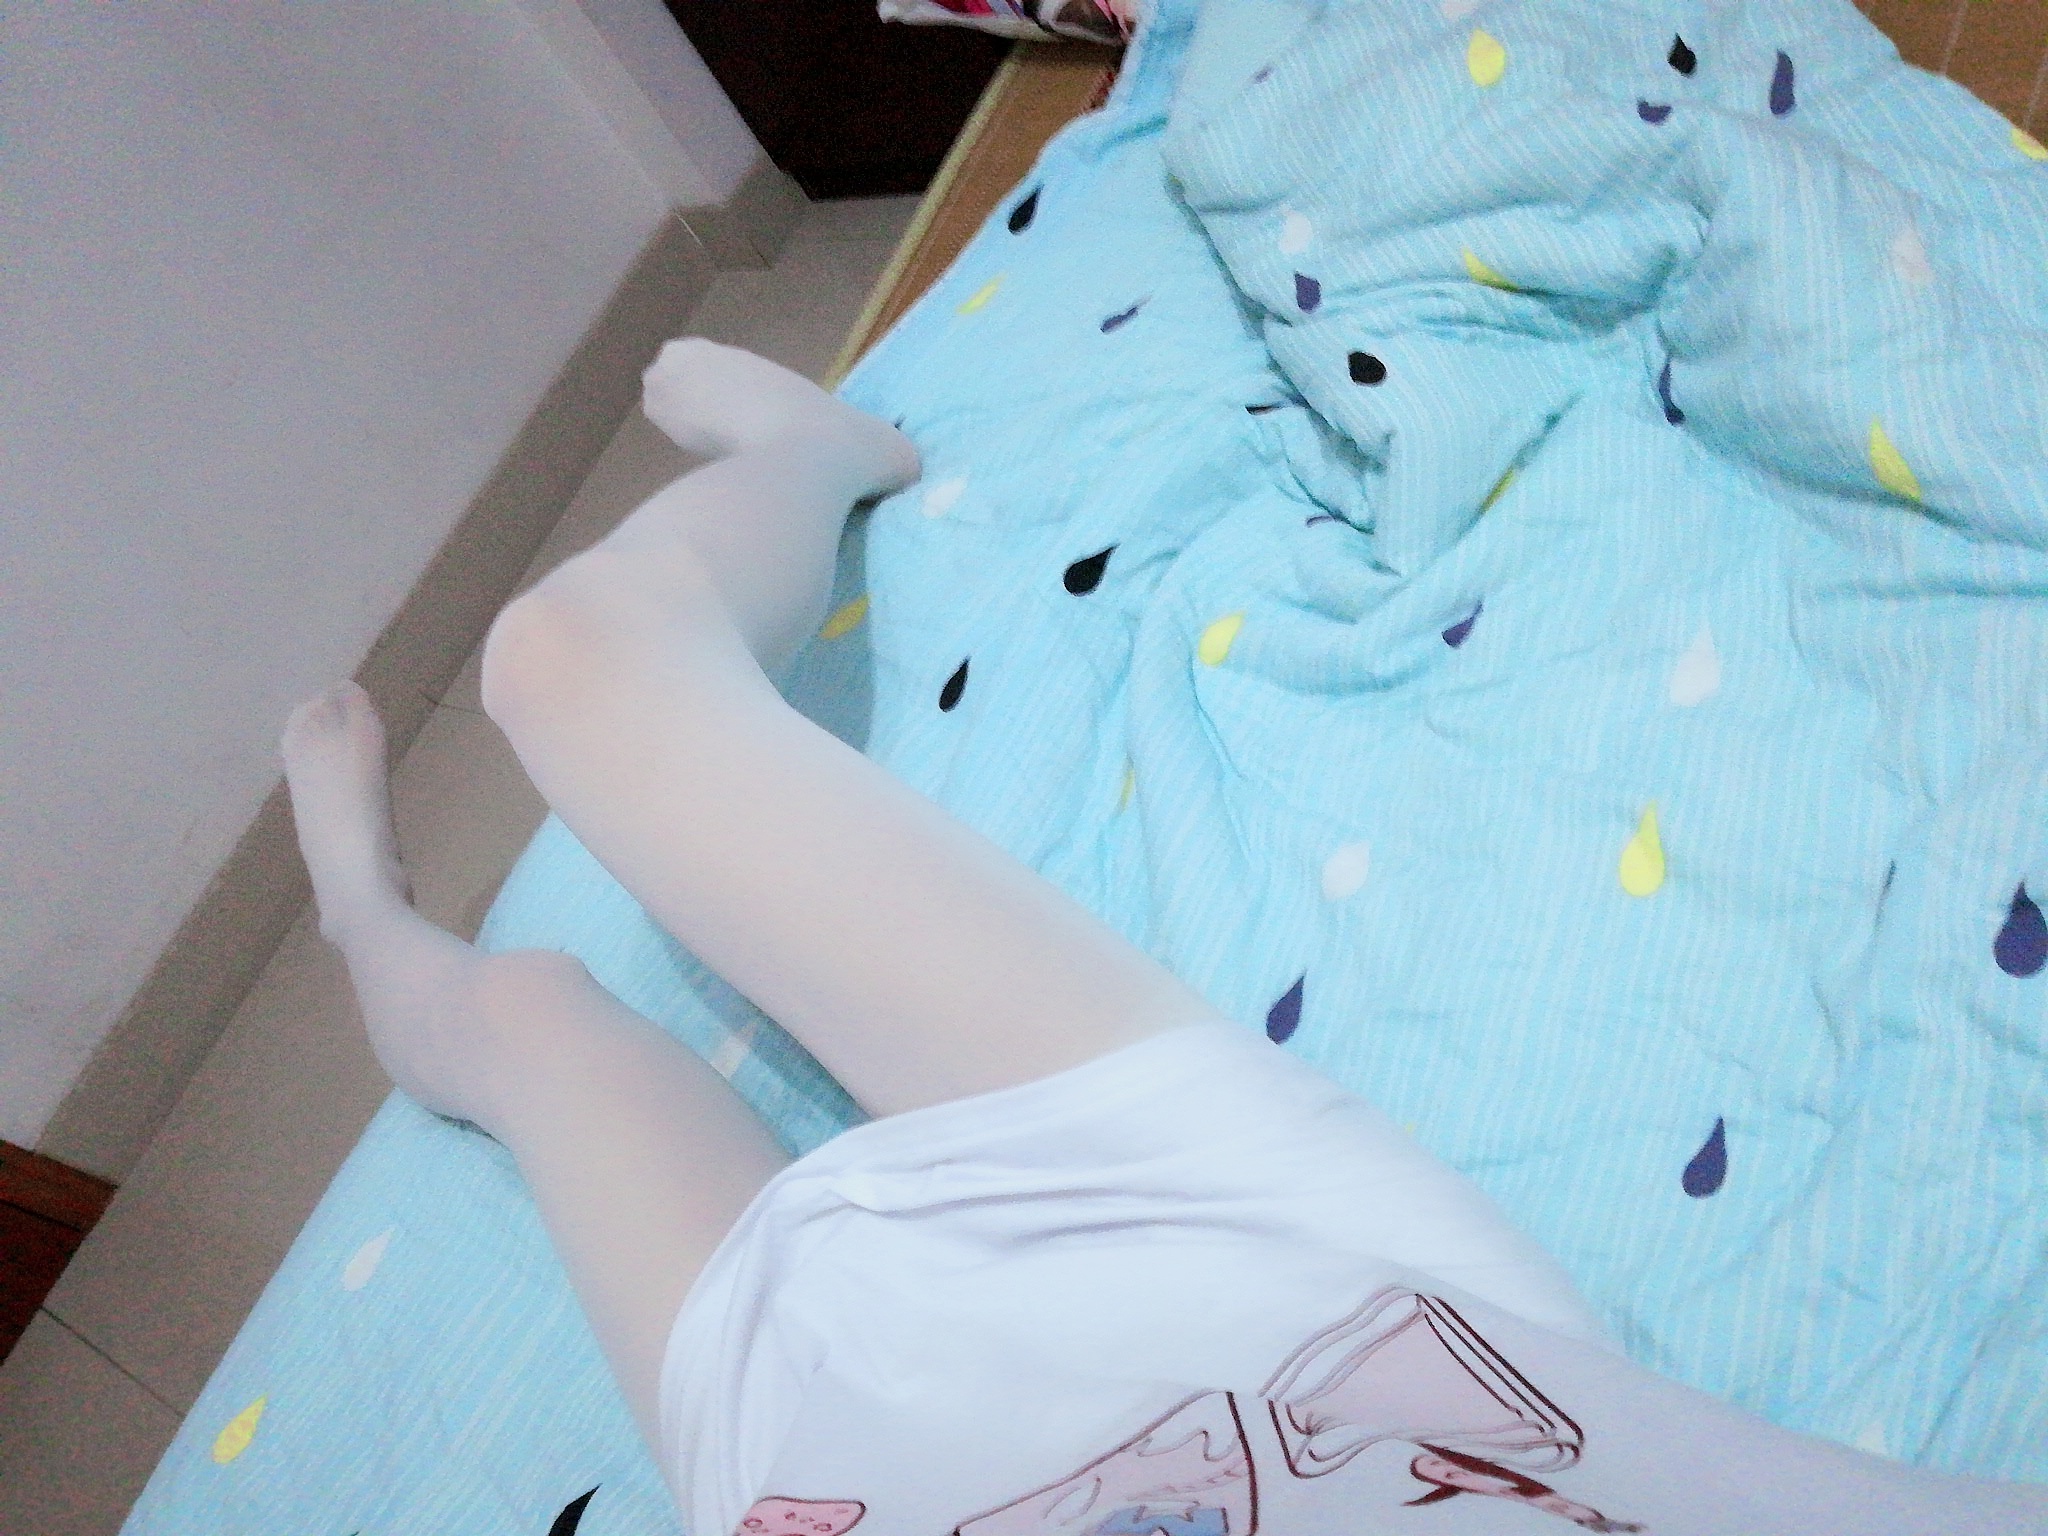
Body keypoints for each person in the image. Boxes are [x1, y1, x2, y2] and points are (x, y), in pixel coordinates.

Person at [280, 339, 2048, 1536]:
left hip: (827, 1475)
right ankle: (822, 459)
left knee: (525, 1018)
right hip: (1313, 1319)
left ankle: (361, 916)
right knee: (563, 668)